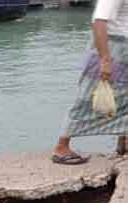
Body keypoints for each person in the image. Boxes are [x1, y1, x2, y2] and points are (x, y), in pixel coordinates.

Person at [51, 0, 128, 164]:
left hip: (123, 47)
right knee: (87, 99)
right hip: (112, 47)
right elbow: (99, 21)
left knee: (125, 99)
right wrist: (105, 59)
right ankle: (61, 147)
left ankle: (123, 144)